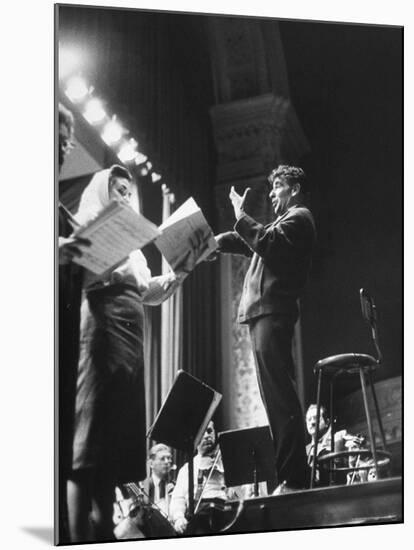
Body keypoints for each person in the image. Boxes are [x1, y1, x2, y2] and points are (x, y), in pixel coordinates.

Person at [66, 165, 193, 543]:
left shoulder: (134, 246)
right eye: (116, 190)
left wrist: (179, 273)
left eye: (127, 191)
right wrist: (107, 253)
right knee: (90, 443)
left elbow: (144, 290)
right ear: (102, 194)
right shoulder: (87, 227)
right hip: (101, 332)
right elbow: (80, 276)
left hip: (130, 343)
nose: (123, 196)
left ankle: (103, 533)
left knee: (111, 448)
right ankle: (75, 538)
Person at [214, 165, 316, 493]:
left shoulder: (300, 217)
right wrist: (215, 243)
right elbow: (251, 243)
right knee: (274, 399)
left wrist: (240, 214)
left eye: (278, 187)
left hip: (273, 314)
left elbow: (265, 241)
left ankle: (293, 479)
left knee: (280, 398)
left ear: (295, 189)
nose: (272, 193)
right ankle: (290, 477)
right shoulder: (280, 224)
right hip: (263, 315)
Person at [58, 103, 90, 543]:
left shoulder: (63, 210)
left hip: (67, 332)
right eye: (58, 138)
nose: (65, 148)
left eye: (67, 142)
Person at [169, 420, 227, 534]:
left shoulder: (225, 461)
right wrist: (179, 517)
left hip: (223, 514)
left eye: (209, 431)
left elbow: (242, 490)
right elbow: (178, 499)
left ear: (215, 433)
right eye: (202, 433)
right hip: (197, 518)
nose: (206, 436)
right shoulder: (187, 468)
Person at [305, 403, 366, 486]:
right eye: (309, 420)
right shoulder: (305, 450)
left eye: (316, 418)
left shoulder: (339, 439)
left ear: (327, 422)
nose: (312, 422)